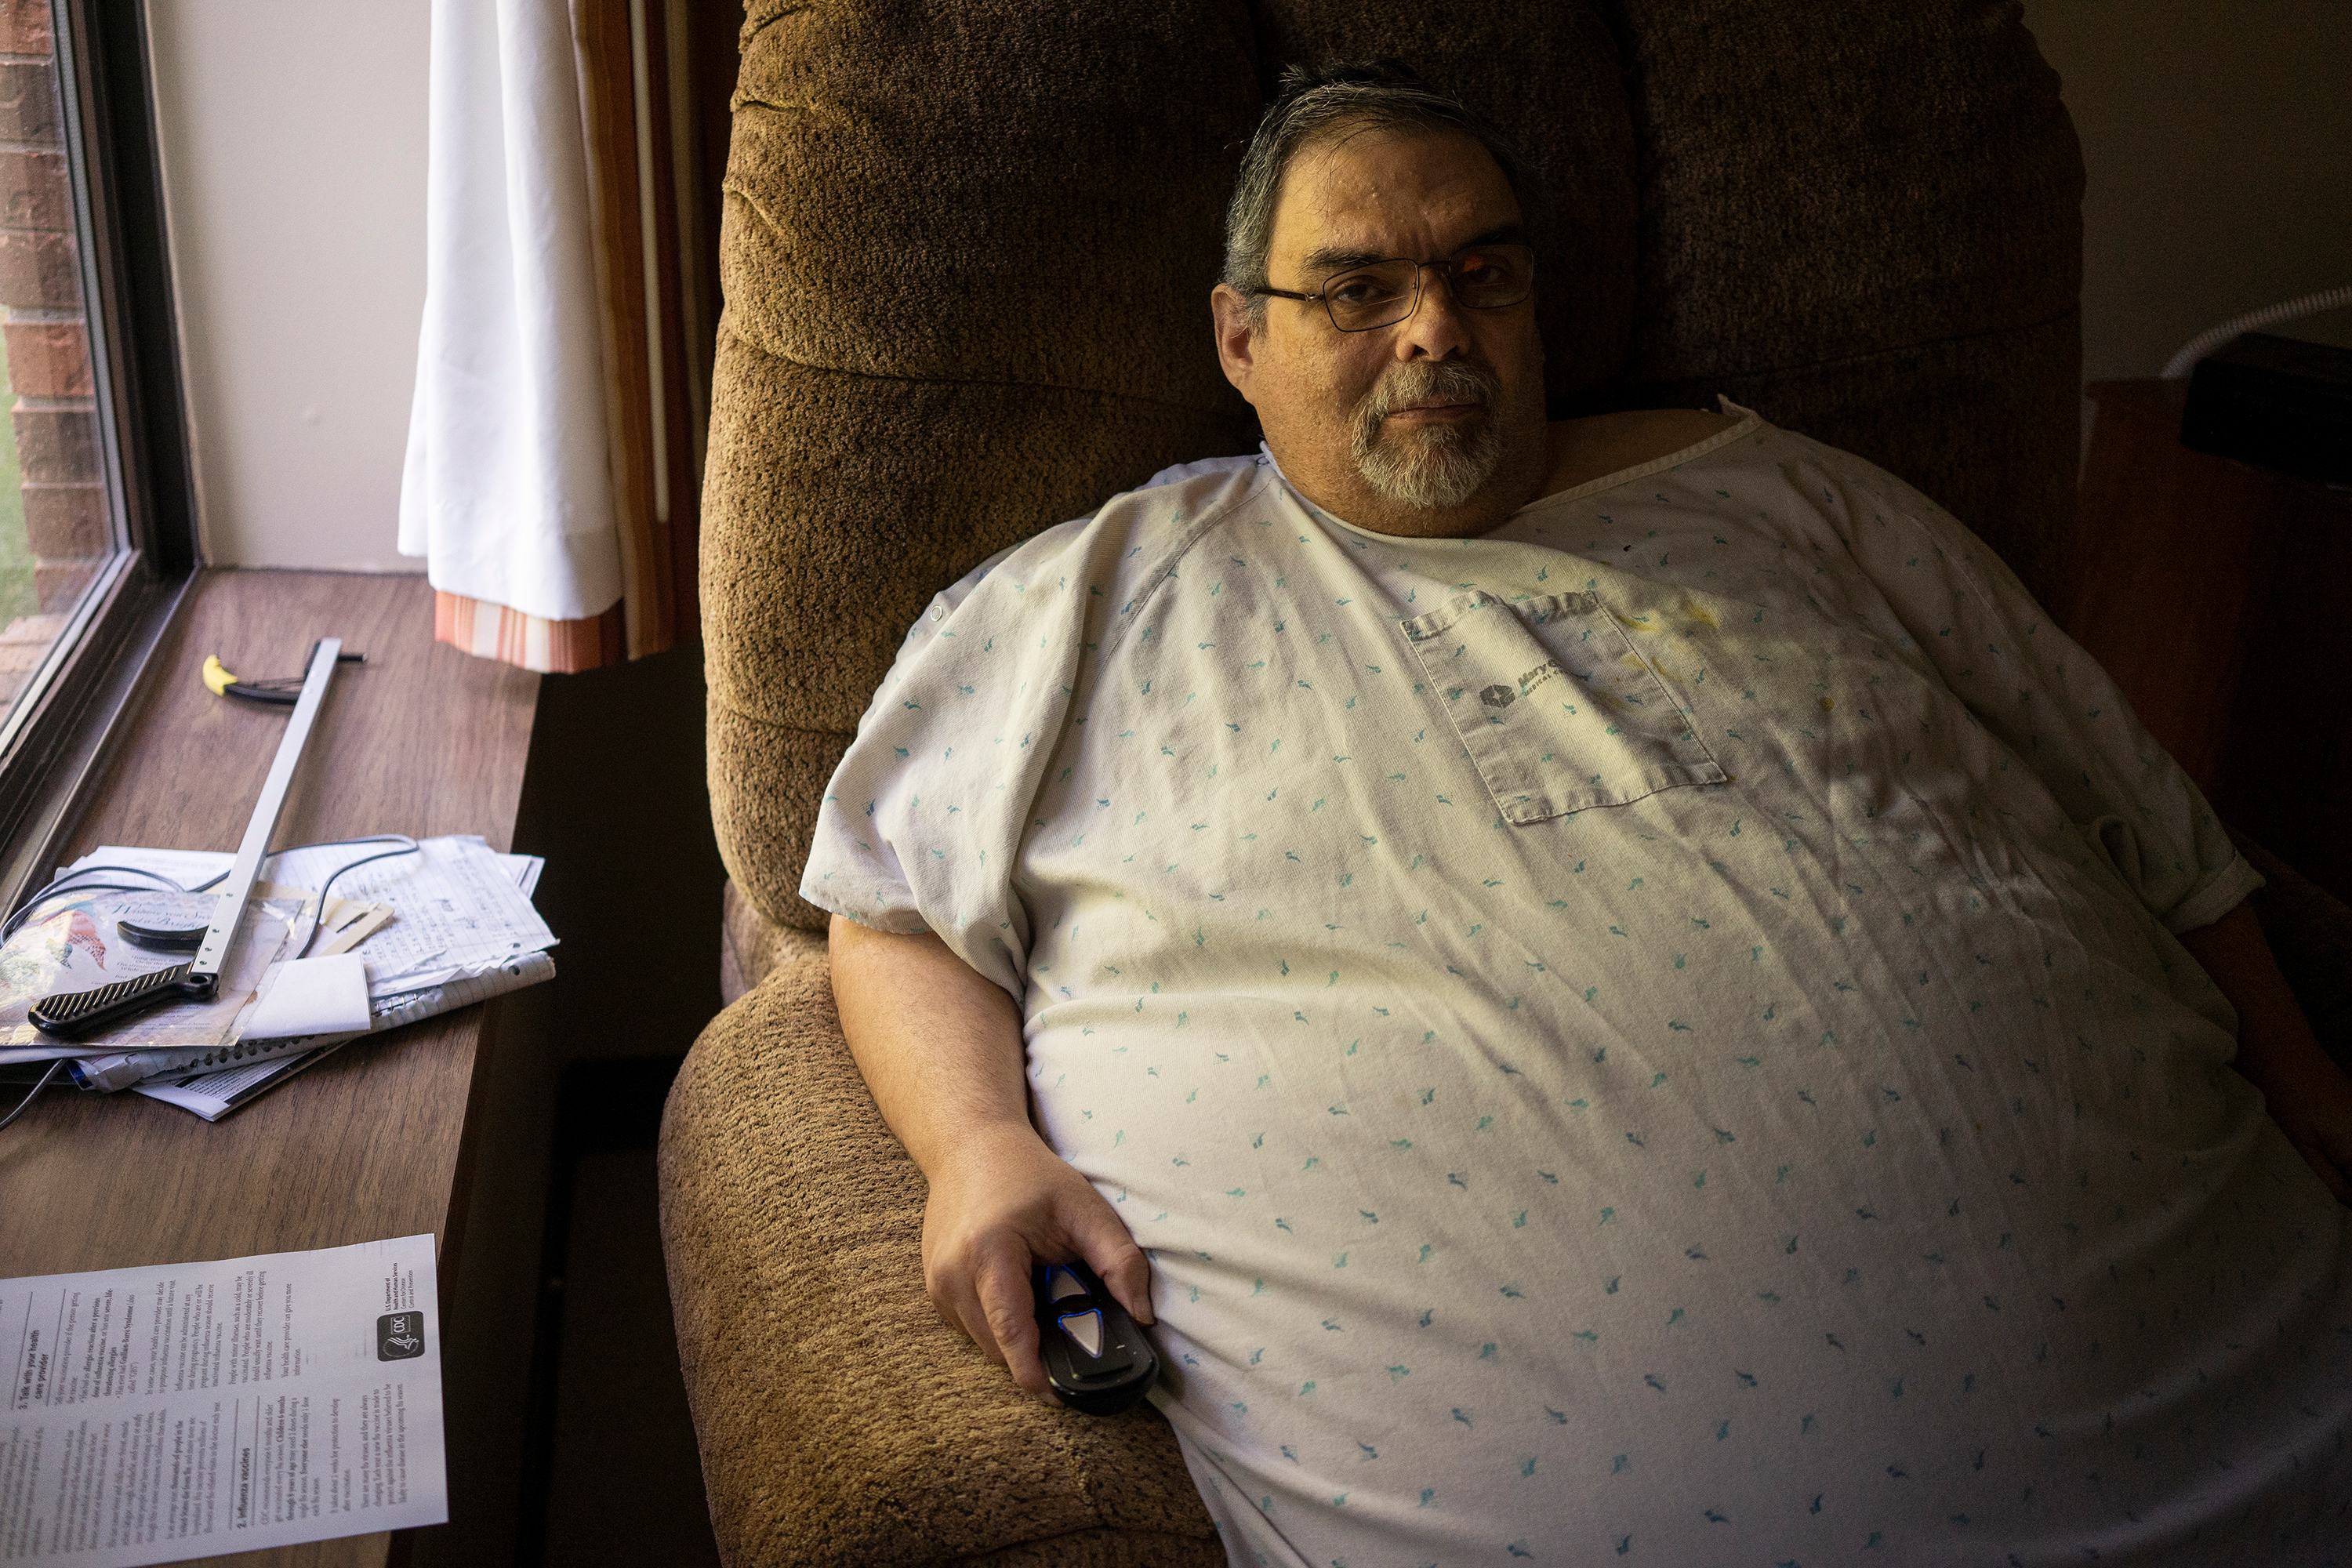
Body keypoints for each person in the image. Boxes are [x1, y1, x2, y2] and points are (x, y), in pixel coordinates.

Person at [804, 59, 2352, 1568]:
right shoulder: (1087, 596)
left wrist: (2308, 1079)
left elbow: (2147, 818)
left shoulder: (1797, 501)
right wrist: (976, 1145)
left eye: (1486, 272)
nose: (1436, 330)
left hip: (2276, 1417)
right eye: (1356, 289)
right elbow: (892, 906)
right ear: (1237, 338)